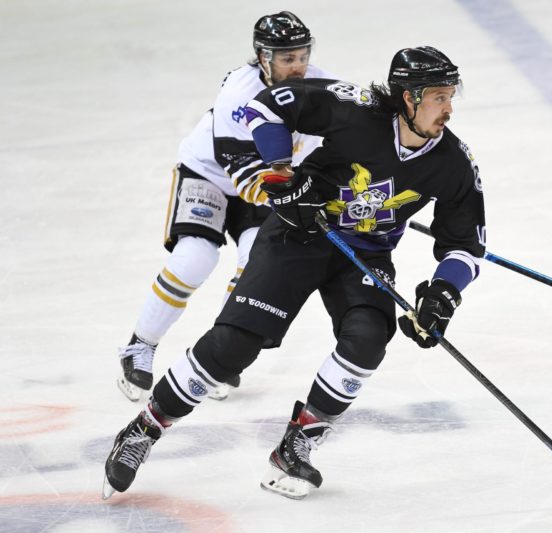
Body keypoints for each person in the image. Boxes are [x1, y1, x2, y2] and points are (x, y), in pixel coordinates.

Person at [102, 45, 486, 501]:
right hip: (296, 236)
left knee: (367, 340)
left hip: (364, 254)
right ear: (409, 97)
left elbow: (465, 245)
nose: (449, 108)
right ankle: (144, 429)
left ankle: (297, 445)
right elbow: (265, 107)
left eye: (450, 96)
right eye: (439, 97)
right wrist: (282, 175)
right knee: (233, 346)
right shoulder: (355, 110)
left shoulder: (454, 163)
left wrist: (443, 293)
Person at [116, 11, 334, 402]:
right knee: (194, 257)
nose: (298, 66)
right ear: (264, 58)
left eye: (303, 56)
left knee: (254, 264)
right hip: (211, 175)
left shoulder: (321, 86)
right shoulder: (238, 90)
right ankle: (140, 345)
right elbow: (241, 169)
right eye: (288, 58)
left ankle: (216, 354)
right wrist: (296, 198)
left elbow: (339, 142)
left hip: (273, 182)